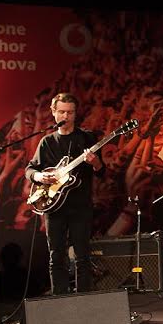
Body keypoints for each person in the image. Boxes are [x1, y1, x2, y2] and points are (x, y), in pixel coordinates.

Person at [25, 93, 104, 295]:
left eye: (70, 112)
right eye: (61, 112)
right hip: (53, 207)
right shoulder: (47, 142)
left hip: (80, 206)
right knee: (56, 256)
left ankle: (84, 298)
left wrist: (95, 162)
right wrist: (40, 176)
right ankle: (60, 298)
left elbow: (101, 171)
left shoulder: (87, 138)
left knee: (82, 256)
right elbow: (30, 169)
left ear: (76, 113)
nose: (66, 116)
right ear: (53, 112)